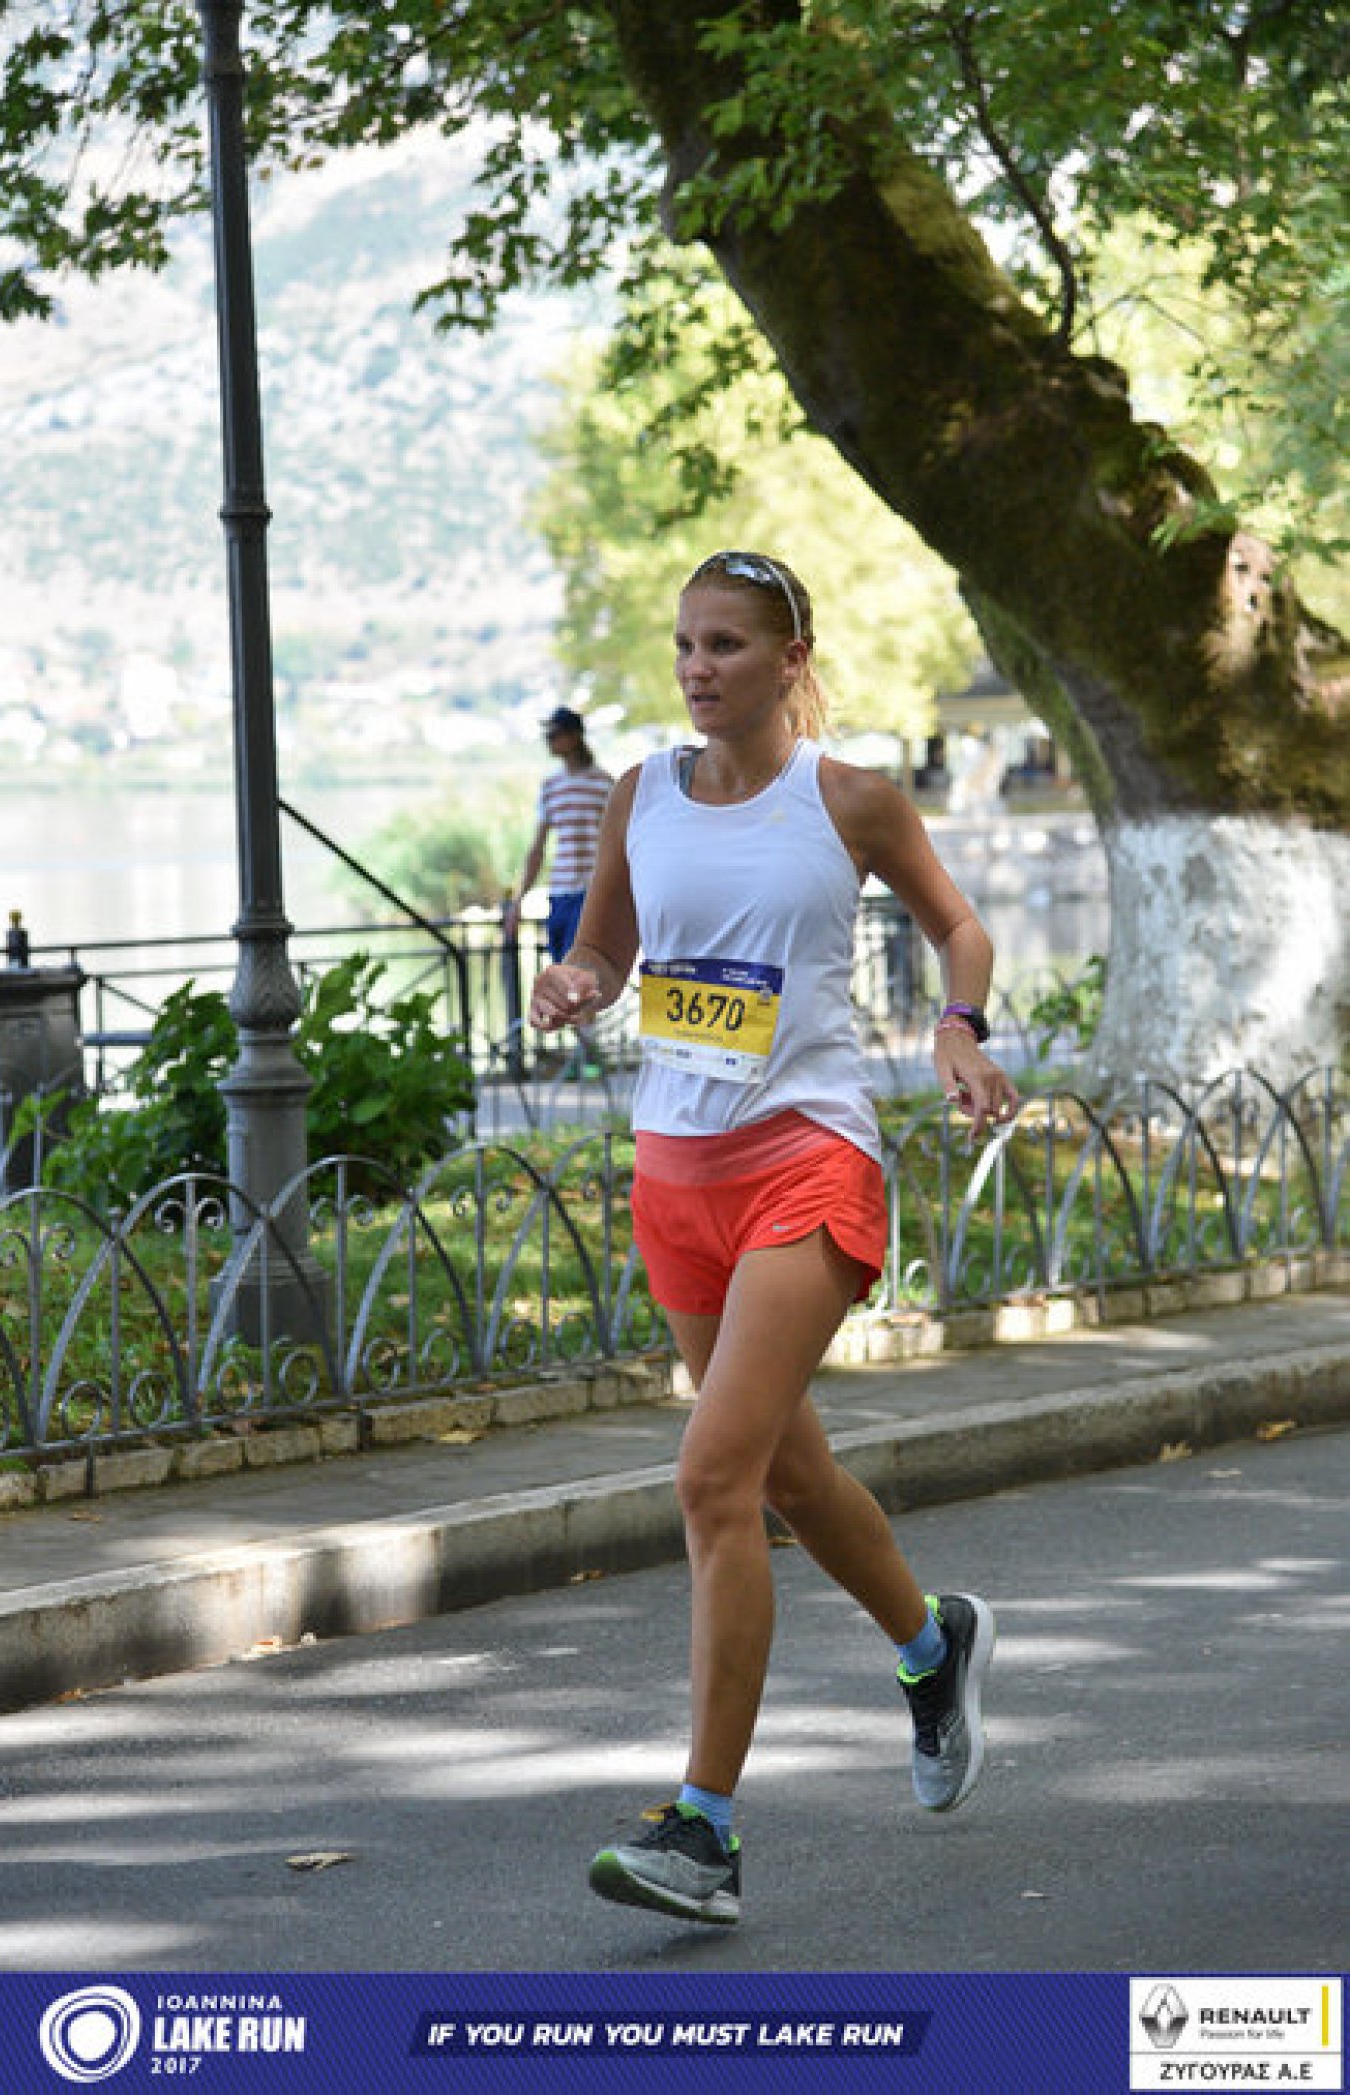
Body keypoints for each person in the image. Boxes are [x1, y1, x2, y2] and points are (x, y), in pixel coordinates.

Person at [527, 550, 1020, 1928]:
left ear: (789, 657)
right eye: (686, 643)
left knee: (711, 1477)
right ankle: (931, 1645)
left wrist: (956, 1026)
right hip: (675, 1173)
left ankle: (704, 1829)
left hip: (808, 1158)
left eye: (727, 644)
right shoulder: (639, 793)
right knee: (786, 1472)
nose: (698, 667)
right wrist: (574, 980)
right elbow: (608, 953)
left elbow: (958, 926)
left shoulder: (847, 798)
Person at [504, 706, 615, 966]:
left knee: (575, 972)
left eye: (554, 734)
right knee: (562, 971)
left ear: (574, 736)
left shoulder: (605, 783)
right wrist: (518, 902)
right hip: (558, 895)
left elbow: (616, 844)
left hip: (591, 894)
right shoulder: (550, 786)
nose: (549, 740)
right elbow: (538, 848)